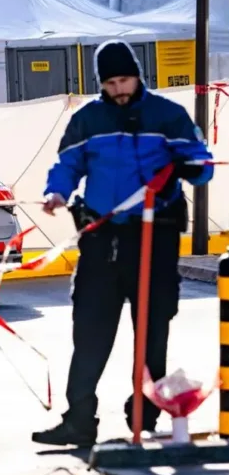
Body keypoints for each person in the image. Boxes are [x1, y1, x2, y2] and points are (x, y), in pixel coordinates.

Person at [32, 40, 214, 446]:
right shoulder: (88, 119)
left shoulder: (169, 115)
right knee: (90, 332)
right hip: (100, 239)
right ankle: (79, 420)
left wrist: (192, 166)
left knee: (152, 331)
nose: (119, 88)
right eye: (111, 82)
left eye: (124, 79)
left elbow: (202, 165)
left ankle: (144, 414)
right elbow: (67, 164)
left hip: (155, 237)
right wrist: (56, 191)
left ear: (138, 75)